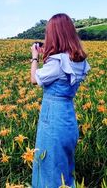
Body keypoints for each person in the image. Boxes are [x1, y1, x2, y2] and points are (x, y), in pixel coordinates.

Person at [29, 13, 91, 188]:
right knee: (63, 163)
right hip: (68, 116)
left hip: (53, 118)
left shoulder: (57, 63)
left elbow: (34, 79)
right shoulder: (79, 61)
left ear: (54, 34)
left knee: (49, 165)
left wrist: (35, 57)